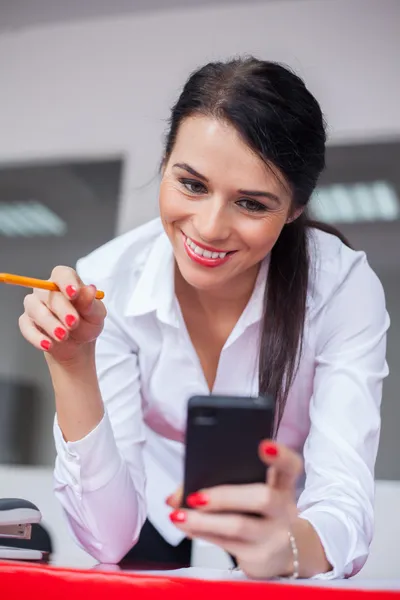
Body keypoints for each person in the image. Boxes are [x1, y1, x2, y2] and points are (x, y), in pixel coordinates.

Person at [18, 57, 389, 580]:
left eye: (252, 204)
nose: (211, 228)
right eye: (192, 184)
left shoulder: (342, 288)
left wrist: (288, 545)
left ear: (296, 208)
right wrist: (72, 363)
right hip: (151, 498)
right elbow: (107, 539)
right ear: (166, 163)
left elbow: (343, 498)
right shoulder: (110, 278)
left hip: (278, 507)